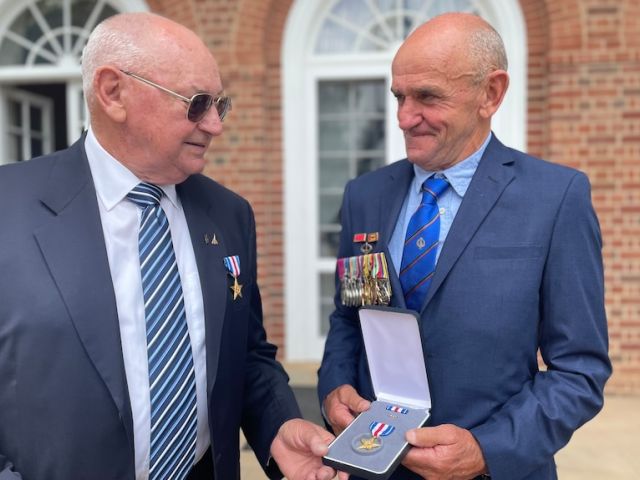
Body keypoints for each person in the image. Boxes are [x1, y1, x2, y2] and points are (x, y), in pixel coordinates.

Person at [0, 12, 337, 480]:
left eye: (222, 104)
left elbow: (246, 354)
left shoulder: (230, 214)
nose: (215, 124)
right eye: (197, 103)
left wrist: (279, 427)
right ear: (113, 92)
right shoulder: (8, 208)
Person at [318, 12, 611, 480]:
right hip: (373, 465)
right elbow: (349, 317)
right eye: (399, 97)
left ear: (490, 94)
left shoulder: (555, 198)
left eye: (428, 97)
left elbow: (579, 371)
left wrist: (486, 449)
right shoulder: (365, 196)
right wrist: (335, 387)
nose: (403, 117)